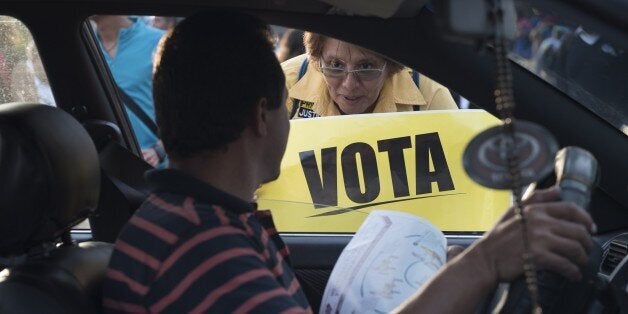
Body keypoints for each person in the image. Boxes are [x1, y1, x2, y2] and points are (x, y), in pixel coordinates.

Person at [102, 10, 595, 313]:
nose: (346, 84)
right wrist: (485, 262)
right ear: (261, 116)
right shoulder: (206, 252)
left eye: (364, 69)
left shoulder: (197, 224)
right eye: (285, 107)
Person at [282, 32, 458, 119]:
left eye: (366, 67)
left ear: (391, 65)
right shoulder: (284, 82)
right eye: (335, 65)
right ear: (316, 60)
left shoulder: (428, 92)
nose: (349, 85)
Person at [91, 15, 166, 167]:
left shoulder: (158, 41)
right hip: (109, 170)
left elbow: (185, 109)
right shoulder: (85, 46)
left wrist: (159, 150)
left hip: (155, 169)